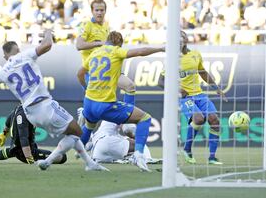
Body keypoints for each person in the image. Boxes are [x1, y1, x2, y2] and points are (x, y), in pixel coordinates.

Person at [0, 29, 107, 172]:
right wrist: (49, 32)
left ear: (5, 56)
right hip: (45, 105)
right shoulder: (24, 55)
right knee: (78, 132)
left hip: (31, 114)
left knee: (71, 133)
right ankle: (48, 161)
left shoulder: (1, 72)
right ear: (18, 49)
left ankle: (89, 163)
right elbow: (47, 45)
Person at [78, 31, 165, 172]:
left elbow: (79, 73)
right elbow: (141, 51)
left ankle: (76, 153)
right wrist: (160, 48)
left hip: (89, 101)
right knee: (145, 118)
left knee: (89, 126)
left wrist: (85, 88)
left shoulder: (95, 53)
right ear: (119, 43)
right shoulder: (116, 51)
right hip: (105, 104)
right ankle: (138, 154)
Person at [158, 31, 226, 165]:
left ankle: (212, 157)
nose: (179, 41)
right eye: (177, 39)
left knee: (215, 120)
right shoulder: (172, 59)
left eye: (182, 38)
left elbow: (203, 73)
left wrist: (216, 88)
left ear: (186, 40)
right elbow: (160, 82)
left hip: (199, 94)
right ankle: (187, 149)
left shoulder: (195, 54)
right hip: (185, 97)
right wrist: (177, 90)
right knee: (198, 119)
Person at [76, 0, 137, 142]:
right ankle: (81, 146)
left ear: (105, 11)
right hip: (94, 72)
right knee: (92, 123)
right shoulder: (86, 25)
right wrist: (100, 43)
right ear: (92, 11)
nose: (99, 13)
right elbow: (79, 45)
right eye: (96, 10)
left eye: (102, 10)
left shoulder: (106, 27)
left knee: (130, 86)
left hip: (110, 71)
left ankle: (126, 123)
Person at [0, 104, 67, 165]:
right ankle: (37, 161)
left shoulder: (20, 107)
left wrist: (4, 133)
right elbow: (23, 138)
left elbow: (9, 119)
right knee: (62, 157)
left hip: (16, 149)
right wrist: (29, 159)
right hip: (26, 152)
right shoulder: (23, 115)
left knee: (11, 151)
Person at [87, 120, 161, 164]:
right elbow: (127, 130)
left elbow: (88, 145)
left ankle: (127, 158)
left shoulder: (104, 123)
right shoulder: (121, 111)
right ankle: (147, 159)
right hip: (106, 142)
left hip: (96, 153)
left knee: (124, 142)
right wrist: (135, 137)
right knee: (140, 144)